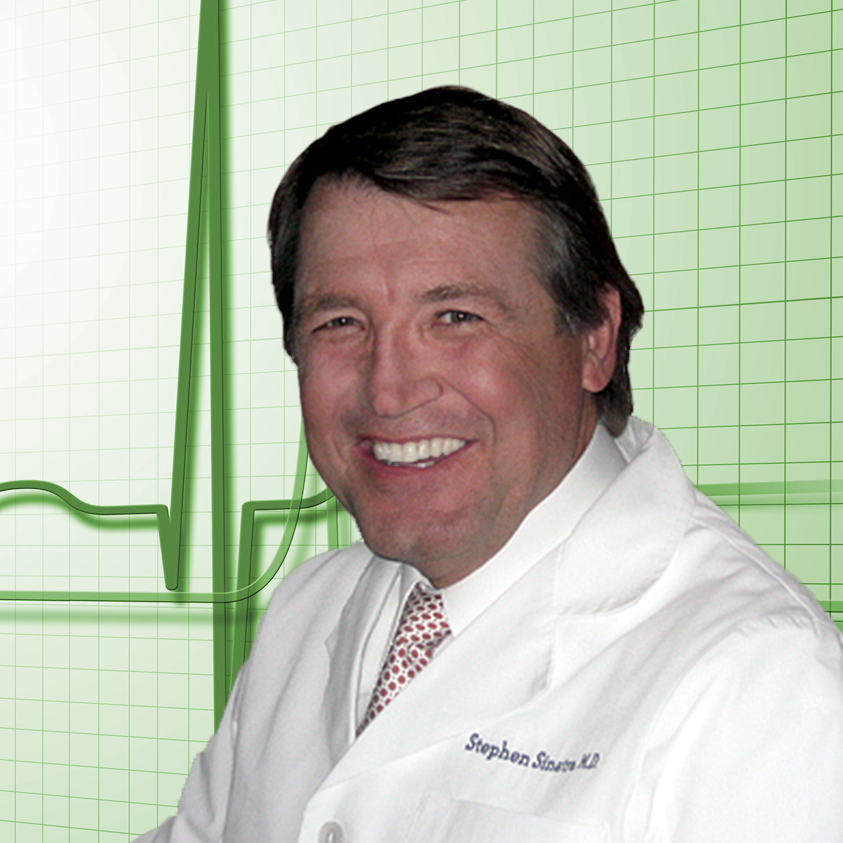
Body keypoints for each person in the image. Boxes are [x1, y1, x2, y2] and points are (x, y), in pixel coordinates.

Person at [137, 87, 843, 842]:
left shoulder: (757, 680)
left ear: (595, 338)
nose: (389, 391)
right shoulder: (308, 607)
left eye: (455, 317)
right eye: (340, 322)